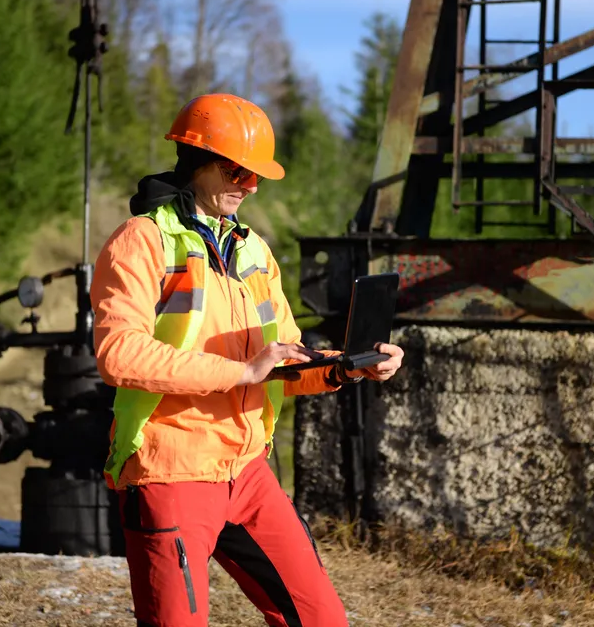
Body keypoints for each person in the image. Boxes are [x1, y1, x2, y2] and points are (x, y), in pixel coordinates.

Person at [89, 93, 405, 627]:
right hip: (171, 472)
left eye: (256, 176)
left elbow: (282, 357)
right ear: (197, 161)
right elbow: (118, 353)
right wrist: (241, 372)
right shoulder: (141, 241)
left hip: (249, 474)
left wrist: (346, 364)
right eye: (237, 170)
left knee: (323, 620)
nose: (249, 185)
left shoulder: (255, 250)